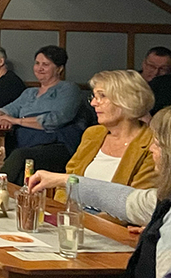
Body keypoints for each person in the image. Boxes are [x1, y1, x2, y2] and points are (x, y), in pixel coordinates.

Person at [27, 107, 171, 278]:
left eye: (158, 144)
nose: (151, 148)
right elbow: (126, 200)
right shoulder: (163, 200)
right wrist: (64, 180)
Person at [51, 70, 155, 209]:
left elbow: (136, 203)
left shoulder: (152, 143)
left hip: (112, 219)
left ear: (127, 100)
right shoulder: (93, 134)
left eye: (102, 96)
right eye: (94, 97)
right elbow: (66, 183)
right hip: (74, 213)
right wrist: (61, 212)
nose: (93, 103)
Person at [0, 45, 87, 182]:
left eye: (45, 64)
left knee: (21, 156)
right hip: (24, 143)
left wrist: (16, 121)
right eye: (37, 63)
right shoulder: (29, 93)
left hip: (55, 145)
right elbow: (2, 111)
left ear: (59, 68)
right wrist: (4, 119)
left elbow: (54, 120)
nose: (39, 68)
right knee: (17, 167)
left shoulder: (68, 89)